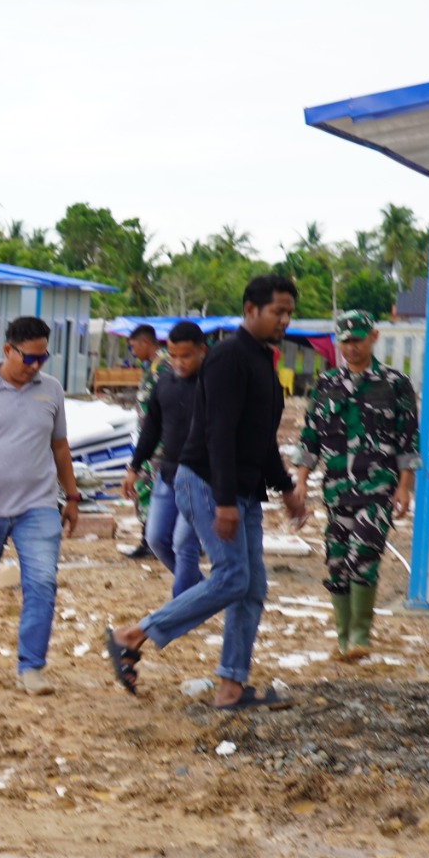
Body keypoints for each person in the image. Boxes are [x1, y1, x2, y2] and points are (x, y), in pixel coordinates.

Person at [107, 276, 311, 708]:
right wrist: (222, 500)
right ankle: (132, 635)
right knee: (232, 577)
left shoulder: (262, 361)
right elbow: (219, 432)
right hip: (207, 483)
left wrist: (287, 488)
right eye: (278, 311)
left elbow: (261, 437)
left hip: (245, 489)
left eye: (289, 312)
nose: (285, 319)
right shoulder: (227, 358)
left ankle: (231, 688)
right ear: (251, 310)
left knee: (252, 587)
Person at [0, 316, 82, 695]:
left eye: (43, 358)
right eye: (28, 358)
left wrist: (71, 497)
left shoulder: (50, 390)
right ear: (8, 350)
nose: (36, 366)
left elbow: (60, 448)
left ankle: (31, 667)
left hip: (37, 506)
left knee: (42, 582)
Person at [297, 311, 419, 660]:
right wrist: (301, 482)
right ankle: (344, 637)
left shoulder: (394, 384)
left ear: (373, 337)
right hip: (336, 489)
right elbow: (310, 436)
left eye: (358, 340)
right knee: (337, 562)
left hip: (377, 487)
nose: (351, 347)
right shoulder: (326, 384)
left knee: (364, 556)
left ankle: (360, 636)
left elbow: (407, 438)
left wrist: (404, 486)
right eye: (345, 341)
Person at [128, 321, 210, 598]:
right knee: (156, 539)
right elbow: (151, 428)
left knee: (183, 544)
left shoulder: (213, 385)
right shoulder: (164, 382)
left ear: (202, 351)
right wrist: (134, 466)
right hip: (168, 472)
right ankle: (204, 591)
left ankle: (180, 606)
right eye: (173, 355)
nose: (178, 362)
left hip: (201, 475)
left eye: (185, 356)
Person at [120, 324, 164, 557]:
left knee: (147, 488)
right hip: (151, 441)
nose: (133, 351)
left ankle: (151, 542)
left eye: (134, 346)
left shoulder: (163, 367)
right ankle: (149, 540)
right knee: (147, 488)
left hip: (161, 444)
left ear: (145, 343)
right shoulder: (153, 367)